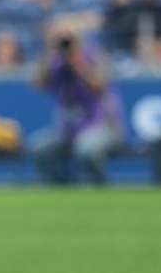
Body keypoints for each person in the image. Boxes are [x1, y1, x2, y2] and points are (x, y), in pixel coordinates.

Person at [31, 27, 124, 184]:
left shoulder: (93, 56)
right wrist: (49, 52)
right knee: (39, 146)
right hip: (69, 131)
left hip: (102, 127)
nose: (65, 46)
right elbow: (38, 84)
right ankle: (55, 187)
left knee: (86, 148)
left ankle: (99, 184)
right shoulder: (57, 63)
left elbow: (100, 86)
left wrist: (78, 63)